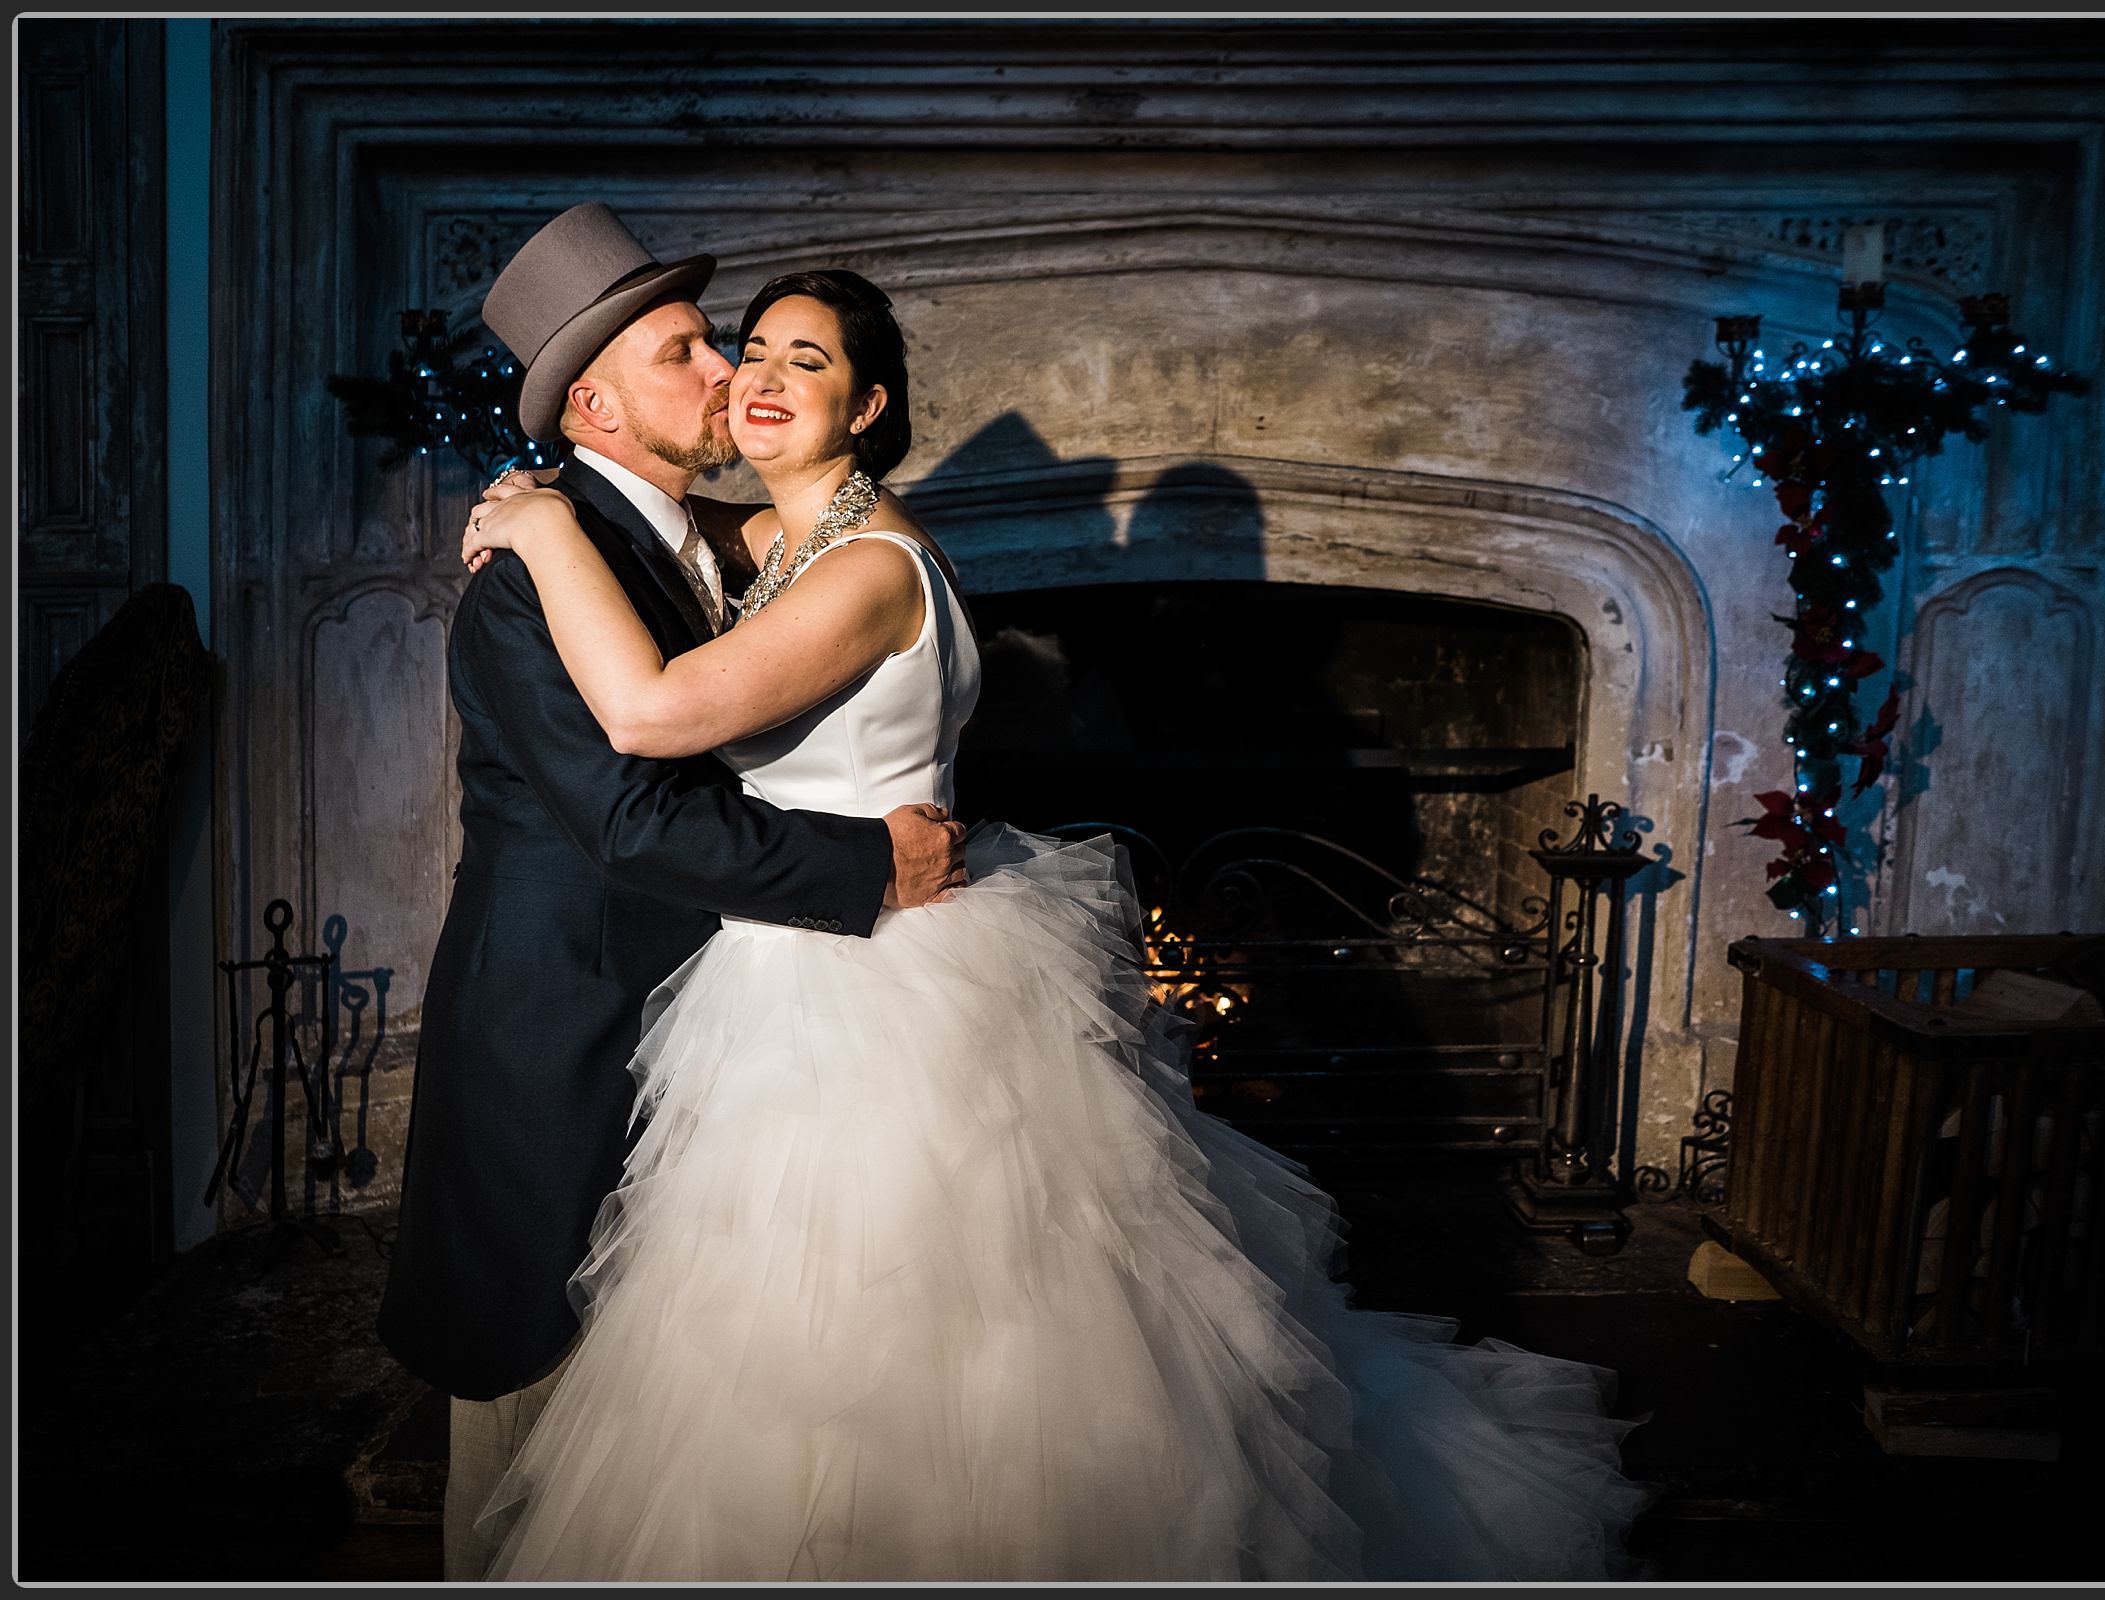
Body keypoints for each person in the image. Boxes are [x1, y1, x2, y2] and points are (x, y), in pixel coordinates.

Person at [456, 264, 1654, 1582]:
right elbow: (682, 562)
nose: (755, 377)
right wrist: (547, 505)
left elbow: (658, 716)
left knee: (922, 1337)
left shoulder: (863, 569)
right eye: (745, 351)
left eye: (805, 361)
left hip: (872, 986)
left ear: (870, 408)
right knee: (789, 1331)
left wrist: (544, 527)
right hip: (783, 966)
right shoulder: (762, 544)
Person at [373, 203, 970, 1584]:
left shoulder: (725, 543)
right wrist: (875, 864)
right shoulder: (529, 586)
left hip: (730, 1044)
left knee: (691, 1454)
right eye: (688, 352)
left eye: (740, 347)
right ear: (593, 402)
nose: (727, 373)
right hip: (562, 1040)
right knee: (530, 1453)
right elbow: (634, 811)